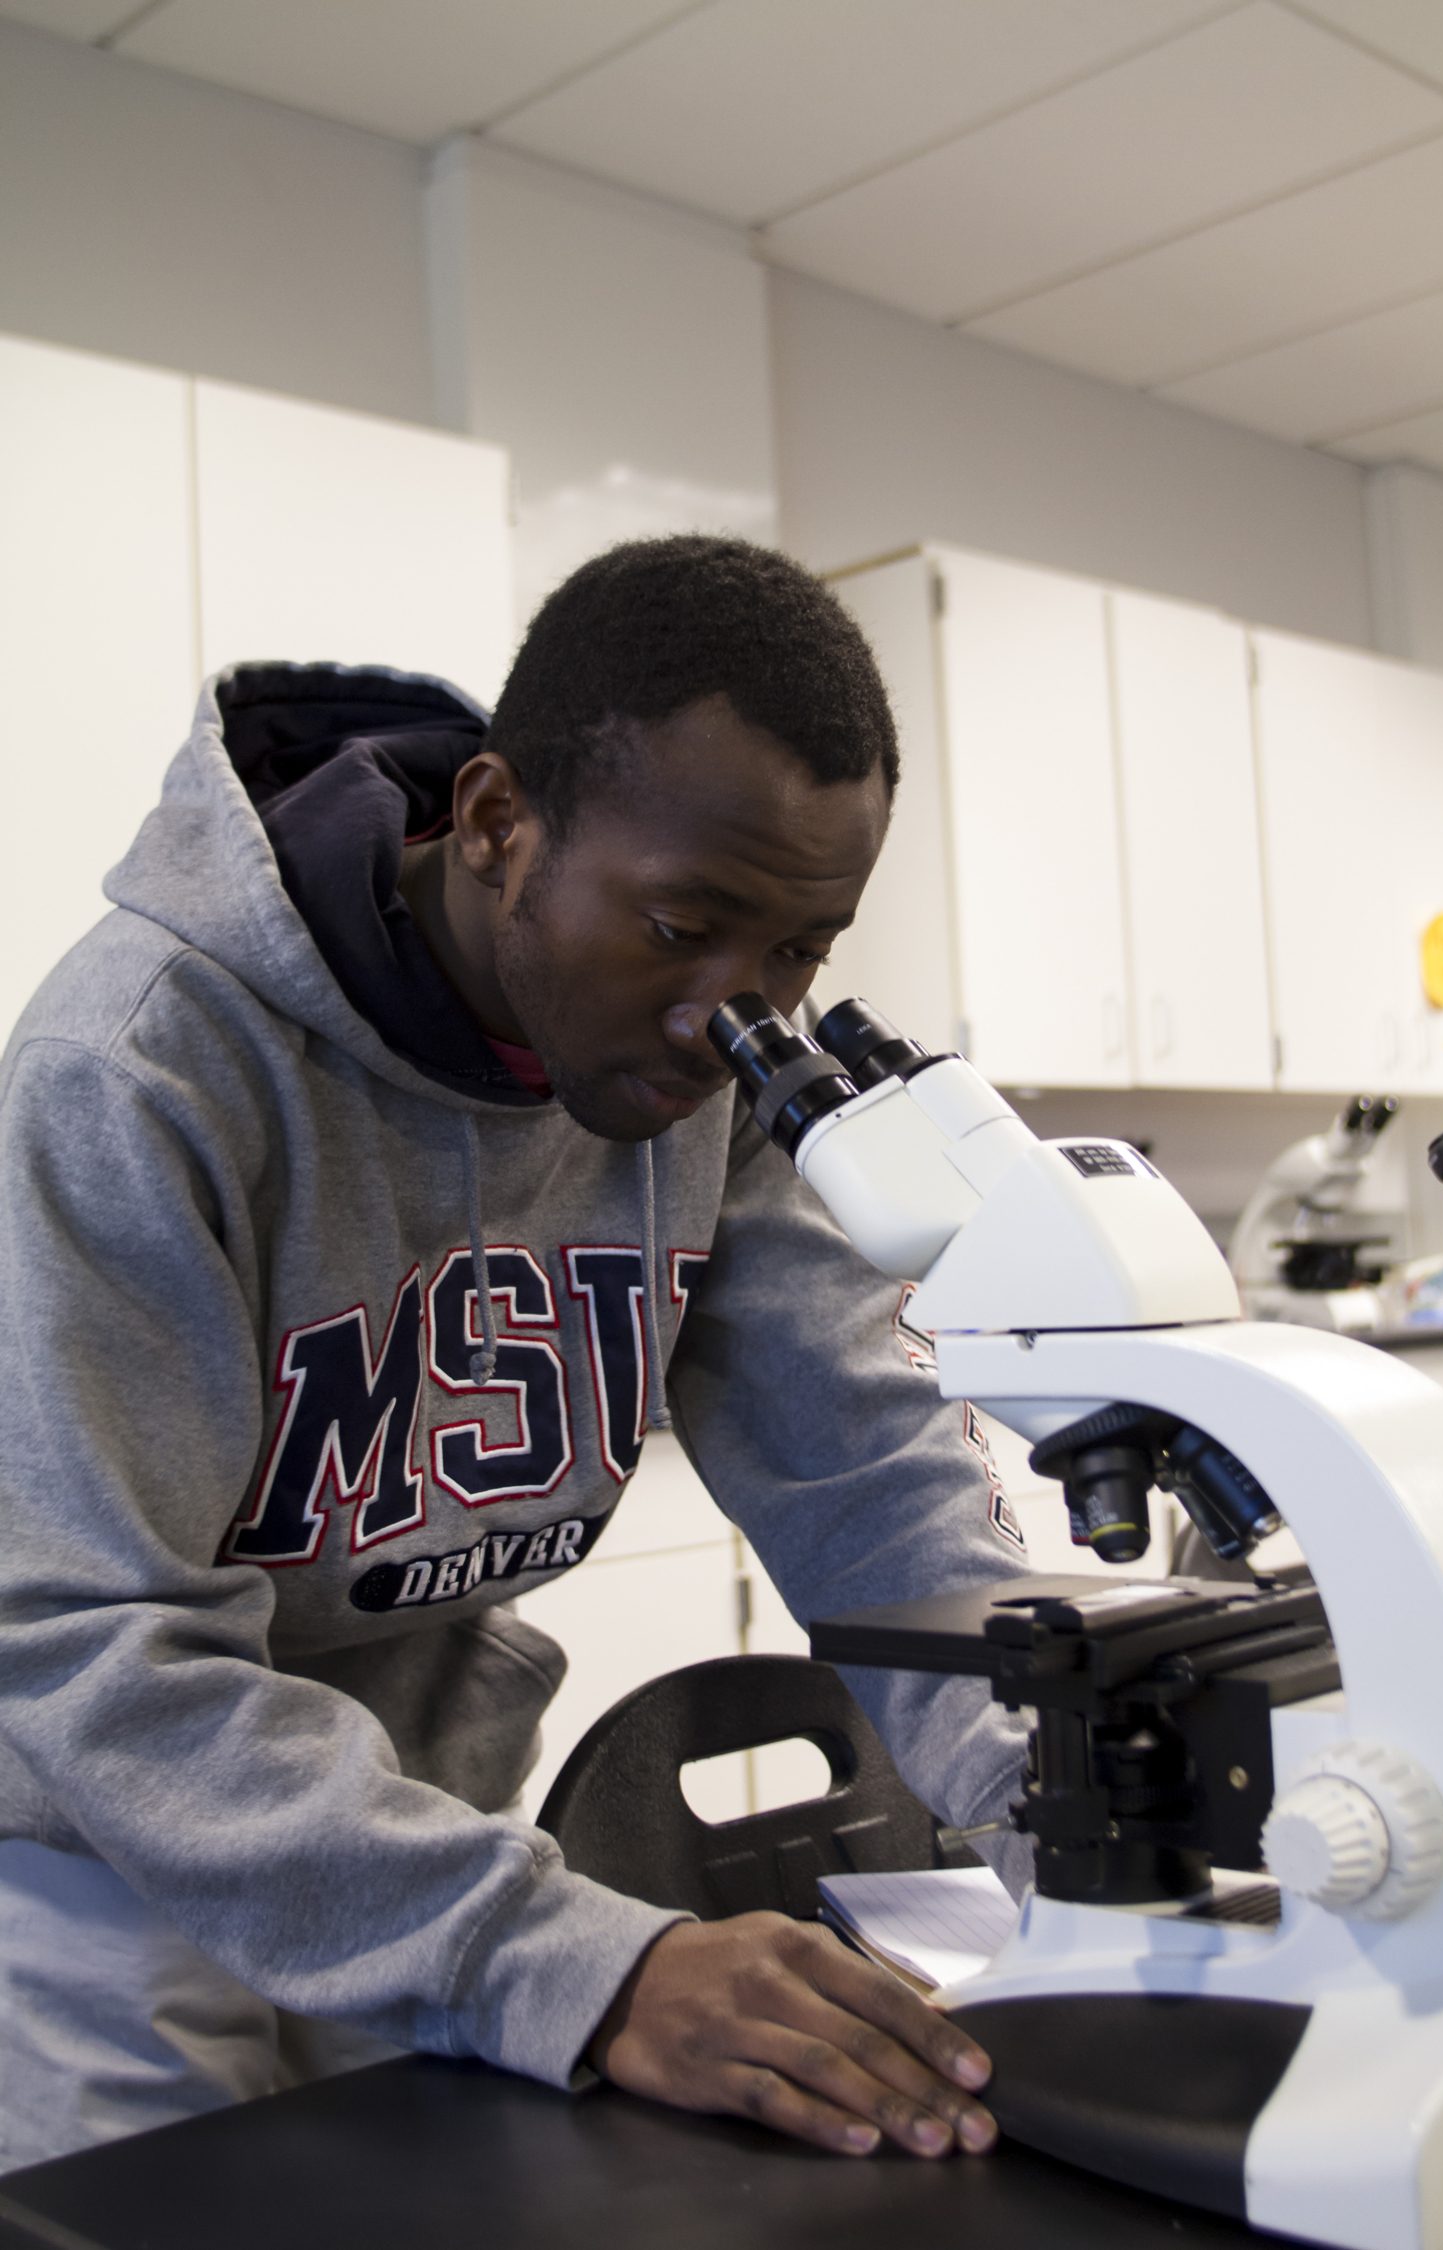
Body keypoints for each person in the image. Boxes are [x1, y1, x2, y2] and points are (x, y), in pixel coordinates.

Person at [0, 535, 1032, 2176]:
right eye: (687, 926)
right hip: (103, 1855)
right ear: (496, 825)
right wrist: (591, 1960)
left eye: (800, 952)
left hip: (426, 1816)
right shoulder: (137, 1068)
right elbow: (78, 1635)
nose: (738, 1013)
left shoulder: (718, 1077)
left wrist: (1053, 1793)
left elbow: (874, 1484)